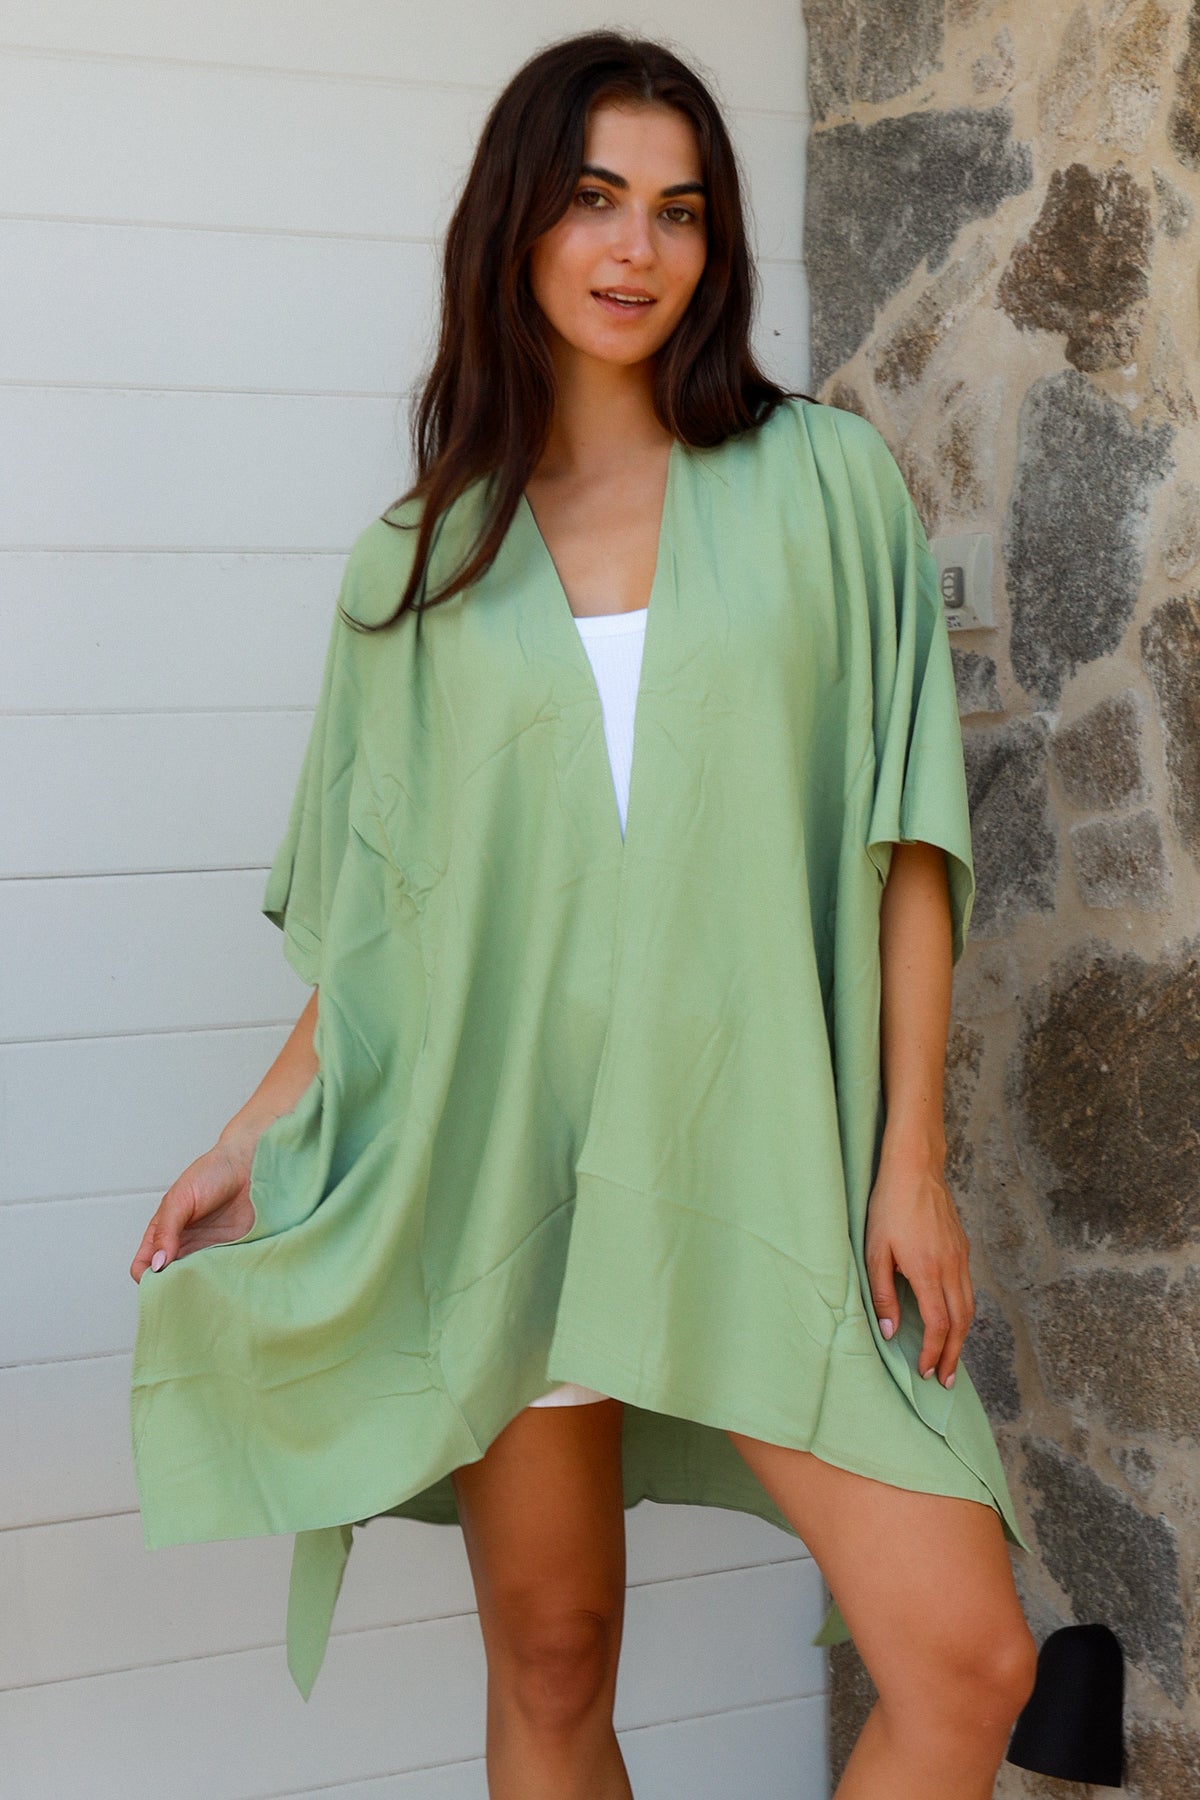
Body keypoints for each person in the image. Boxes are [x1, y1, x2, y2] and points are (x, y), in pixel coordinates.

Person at [129, 30, 1038, 1800]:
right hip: (507, 1168)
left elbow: (907, 840)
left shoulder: (823, 485)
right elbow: (387, 932)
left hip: (769, 1161)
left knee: (967, 1661)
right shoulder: (419, 562)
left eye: (680, 211)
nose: (638, 249)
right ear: (518, 225)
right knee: (552, 1666)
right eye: (596, 200)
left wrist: (910, 1160)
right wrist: (255, 1136)